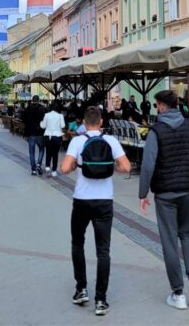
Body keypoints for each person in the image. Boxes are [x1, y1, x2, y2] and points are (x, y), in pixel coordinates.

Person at [138, 89, 189, 311]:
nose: (156, 109)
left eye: (156, 105)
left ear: (161, 106)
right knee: (188, 236)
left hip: (166, 193)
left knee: (170, 241)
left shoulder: (156, 131)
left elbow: (148, 164)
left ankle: (178, 293)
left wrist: (142, 193)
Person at [61, 106, 131, 317]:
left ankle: (81, 289)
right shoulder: (111, 141)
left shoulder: (77, 141)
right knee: (103, 251)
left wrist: (76, 166)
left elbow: (64, 168)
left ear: (84, 122)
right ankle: (101, 300)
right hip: (104, 201)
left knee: (77, 243)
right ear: (101, 122)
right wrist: (112, 168)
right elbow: (126, 167)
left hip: (82, 200)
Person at [42, 100, 66, 177]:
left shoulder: (46, 115)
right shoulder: (60, 116)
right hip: (57, 136)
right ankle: (54, 171)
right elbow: (63, 126)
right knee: (55, 154)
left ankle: (47, 168)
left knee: (48, 153)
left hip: (48, 136)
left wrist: (40, 123)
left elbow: (43, 126)